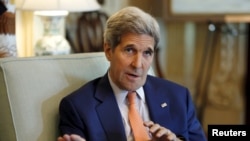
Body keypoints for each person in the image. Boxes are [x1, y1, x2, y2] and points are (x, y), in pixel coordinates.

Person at [57, 6, 207, 141]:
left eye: (147, 53)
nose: (138, 64)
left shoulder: (179, 97)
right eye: (129, 50)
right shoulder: (78, 107)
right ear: (109, 51)